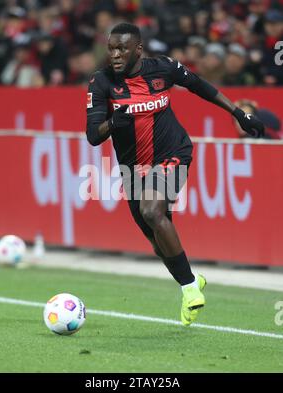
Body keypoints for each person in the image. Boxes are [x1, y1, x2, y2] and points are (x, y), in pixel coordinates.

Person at [86, 23, 264, 326]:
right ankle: (192, 280)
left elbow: (200, 86)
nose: (115, 55)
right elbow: (93, 135)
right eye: (111, 48)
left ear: (138, 49)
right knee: (156, 239)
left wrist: (238, 113)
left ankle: (189, 289)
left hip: (173, 152)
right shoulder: (102, 83)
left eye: (122, 49)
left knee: (152, 211)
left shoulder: (163, 69)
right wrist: (115, 121)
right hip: (133, 169)